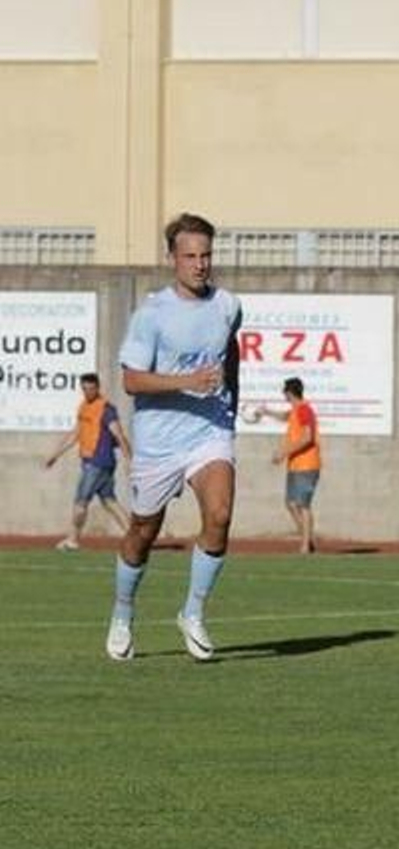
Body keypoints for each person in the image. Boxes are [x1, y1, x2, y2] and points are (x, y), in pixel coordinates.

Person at [104, 212, 243, 662]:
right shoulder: (152, 315)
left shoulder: (228, 304)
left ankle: (193, 612)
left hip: (209, 432)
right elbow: (131, 381)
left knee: (219, 515)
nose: (200, 264)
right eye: (190, 256)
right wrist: (184, 381)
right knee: (143, 531)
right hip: (159, 441)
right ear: (172, 259)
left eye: (206, 255)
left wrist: (231, 406)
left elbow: (231, 353)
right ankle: (123, 614)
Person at [43, 372, 132, 550]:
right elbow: (76, 433)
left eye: (91, 388)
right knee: (109, 501)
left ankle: (73, 540)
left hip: (97, 462)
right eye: (84, 389)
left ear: (98, 388)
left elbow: (119, 435)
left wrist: (129, 461)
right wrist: (56, 454)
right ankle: (134, 537)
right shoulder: (84, 407)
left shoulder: (106, 409)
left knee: (80, 502)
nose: (88, 392)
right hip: (93, 462)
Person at [253, 377, 321, 554]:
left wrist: (284, 452)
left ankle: (305, 546)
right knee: (291, 503)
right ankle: (308, 538)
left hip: (307, 464)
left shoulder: (305, 410)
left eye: (284, 392)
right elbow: (284, 416)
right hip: (296, 465)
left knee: (303, 504)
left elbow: (307, 437)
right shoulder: (296, 410)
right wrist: (266, 412)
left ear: (289, 393)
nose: (283, 395)